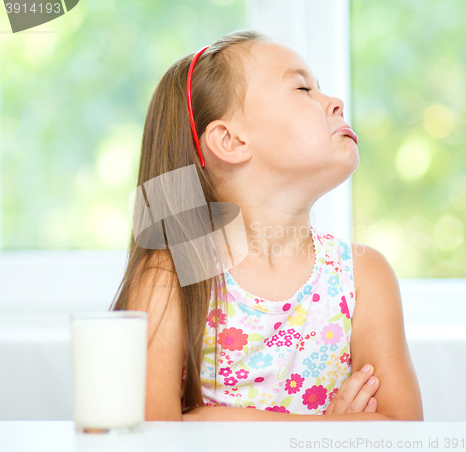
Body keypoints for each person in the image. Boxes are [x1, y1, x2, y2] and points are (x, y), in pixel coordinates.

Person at [110, 29, 423, 422]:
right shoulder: (169, 278)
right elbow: (152, 437)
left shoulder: (363, 276)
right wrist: (330, 431)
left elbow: (400, 430)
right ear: (231, 140)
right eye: (302, 89)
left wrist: (212, 419)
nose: (336, 102)